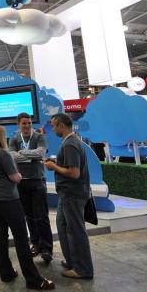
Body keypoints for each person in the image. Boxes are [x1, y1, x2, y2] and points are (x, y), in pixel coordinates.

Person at [0, 124, 55, 289]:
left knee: (0, 236)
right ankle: (33, 279)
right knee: (21, 239)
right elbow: (15, 177)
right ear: (0, 137)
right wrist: (20, 174)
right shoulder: (3, 154)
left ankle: (6, 272)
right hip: (7, 199)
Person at [44, 114, 94, 279]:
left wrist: (53, 167)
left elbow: (74, 173)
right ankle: (73, 261)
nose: (52, 129)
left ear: (61, 125)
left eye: (54, 126)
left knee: (76, 230)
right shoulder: (72, 142)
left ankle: (83, 269)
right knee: (63, 225)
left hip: (72, 193)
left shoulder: (70, 144)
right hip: (69, 193)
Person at [9, 113, 53, 263]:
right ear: (18, 124)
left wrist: (24, 153)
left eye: (28, 123)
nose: (27, 126)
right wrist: (30, 156)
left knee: (42, 216)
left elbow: (41, 153)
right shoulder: (14, 139)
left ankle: (46, 248)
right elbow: (12, 155)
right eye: (24, 123)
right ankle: (35, 243)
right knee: (29, 216)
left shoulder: (39, 137)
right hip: (21, 182)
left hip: (37, 181)